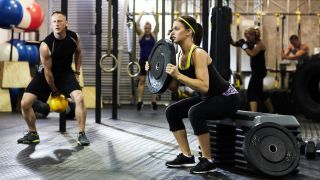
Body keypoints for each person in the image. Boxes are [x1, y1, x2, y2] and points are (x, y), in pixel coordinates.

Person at [147, 16, 240, 174]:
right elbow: (174, 87)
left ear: (189, 32)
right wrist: (155, 72)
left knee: (195, 112)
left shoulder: (198, 53)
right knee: (172, 111)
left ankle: (208, 160)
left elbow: (204, 86)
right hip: (209, 97)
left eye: (176, 28)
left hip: (227, 98)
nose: (172, 32)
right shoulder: (177, 56)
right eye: (172, 29)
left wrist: (179, 75)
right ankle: (186, 155)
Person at [18, 11, 90, 146]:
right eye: (54, 22)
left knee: (79, 98)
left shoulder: (74, 37)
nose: (57, 24)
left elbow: (79, 53)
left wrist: (77, 72)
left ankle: (82, 134)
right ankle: (32, 133)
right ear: (51, 24)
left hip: (65, 73)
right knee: (25, 103)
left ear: (66, 23)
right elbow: (47, 72)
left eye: (60, 21)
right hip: (45, 75)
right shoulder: (46, 45)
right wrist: (55, 91)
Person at [232, 27, 274, 113]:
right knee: (260, 93)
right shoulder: (251, 42)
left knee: (251, 92)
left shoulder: (259, 44)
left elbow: (252, 53)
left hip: (259, 71)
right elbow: (236, 44)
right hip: (256, 71)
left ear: (254, 35)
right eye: (246, 37)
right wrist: (230, 39)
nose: (247, 39)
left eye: (249, 37)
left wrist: (243, 45)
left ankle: (253, 114)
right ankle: (273, 111)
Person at [135, 12, 158, 111]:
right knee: (142, 81)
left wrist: (154, 15)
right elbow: (136, 24)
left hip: (152, 60)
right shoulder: (141, 35)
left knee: (153, 82)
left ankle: (154, 101)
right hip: (143, 60)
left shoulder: (154, 34)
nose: (147, 30)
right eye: (146, 28)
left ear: (151, 28)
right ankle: (139, 101)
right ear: (144, 28)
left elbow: (158, 24)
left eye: (148, 28)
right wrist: (141, 14)